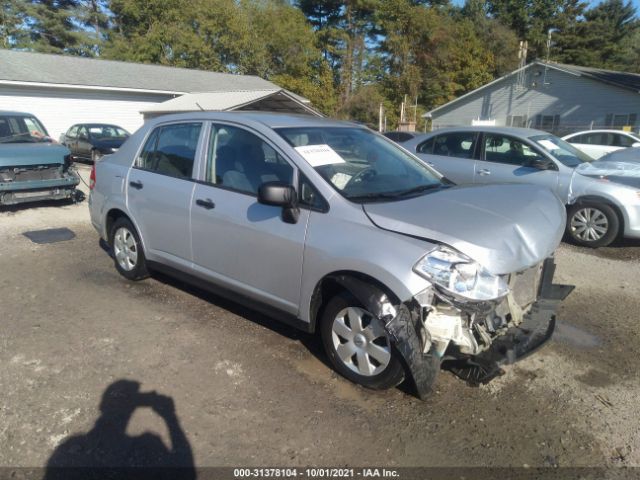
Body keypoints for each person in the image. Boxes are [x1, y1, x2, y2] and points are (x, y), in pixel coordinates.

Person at [44, 380, 195, 480]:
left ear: (103, 405)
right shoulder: (149, 444)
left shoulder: (68, 449)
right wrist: (171, 418)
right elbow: (186, 472)